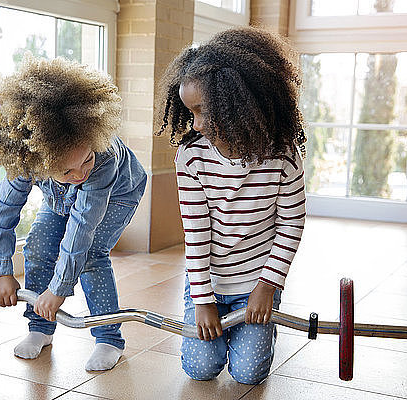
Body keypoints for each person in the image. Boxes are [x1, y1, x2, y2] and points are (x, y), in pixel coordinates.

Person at [156, 26, 307, 384]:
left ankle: (262, 330)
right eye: (189, 112)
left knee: (248, 374)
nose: (195, 124)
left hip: (257, 279)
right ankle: (215, 321)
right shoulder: (191, 157)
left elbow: (291, 224)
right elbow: (195, 232)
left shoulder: (283, 156)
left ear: (238, 104)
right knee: (200, 369)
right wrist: (203, 297)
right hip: (208, 279)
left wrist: (267, 287)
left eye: (202, 111)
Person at [0, 56, 147, 371]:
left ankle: (108, 338)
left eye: (84, 160)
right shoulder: (28, 159)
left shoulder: (102, 161)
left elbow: (81, 229)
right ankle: (39, 329)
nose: (80, 173)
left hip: (117, 194)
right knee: (39, 247)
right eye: (66, 168)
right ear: (39, 162)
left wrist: (58, 289)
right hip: (59, 196)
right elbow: (3, 212)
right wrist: (2, 271)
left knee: (91, 256)